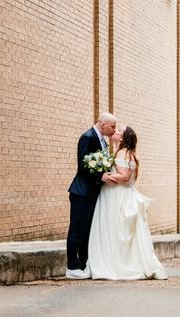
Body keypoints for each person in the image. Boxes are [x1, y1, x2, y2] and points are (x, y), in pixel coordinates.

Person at [86, 125, 168, 280]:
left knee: (115, 230)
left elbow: (124, 177)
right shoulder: (128, 153)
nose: (115, 132)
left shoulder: (122, 153)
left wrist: (105, 175)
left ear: (122, 138)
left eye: (118, 131)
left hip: (117, 196)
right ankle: (123, 261)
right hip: (125, 194)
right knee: (122, 232)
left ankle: (116, 264)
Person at [66, 112, 117, 279]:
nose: (114, 130)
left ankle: (83, 264)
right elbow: (82, 164)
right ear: (102, 124)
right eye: (112, 126)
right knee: (77, 228)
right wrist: (100, 176)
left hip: (92, 192)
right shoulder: (87, 137)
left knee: (87, 229)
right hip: (81, 192)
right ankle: (72, 266)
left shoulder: (102, 140)